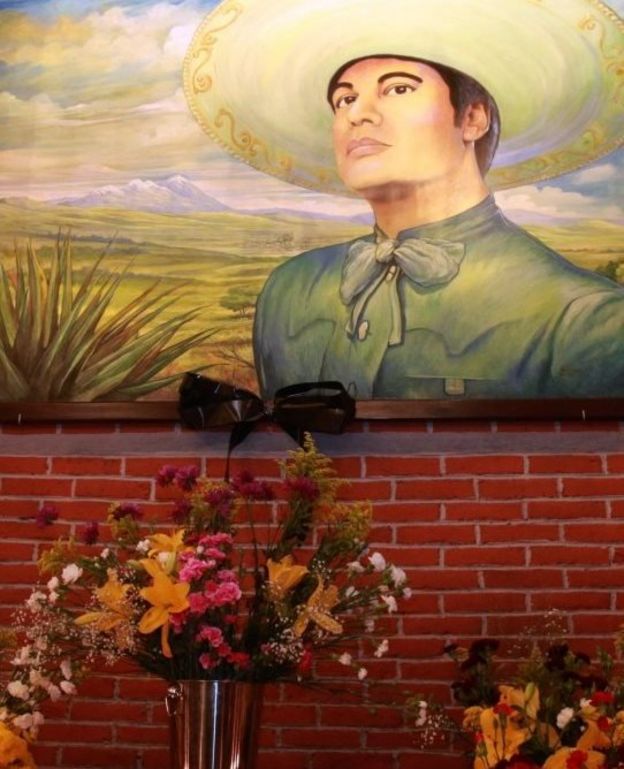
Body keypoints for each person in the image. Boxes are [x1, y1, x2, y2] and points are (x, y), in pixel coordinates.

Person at [184, 0, 624, 399]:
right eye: (344, 99)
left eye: (398, 89)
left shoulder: (584, 318)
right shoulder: (289, 290)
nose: (357, 113)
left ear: (472, 119)